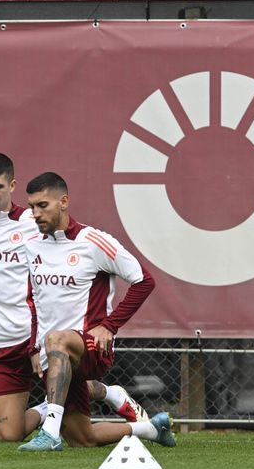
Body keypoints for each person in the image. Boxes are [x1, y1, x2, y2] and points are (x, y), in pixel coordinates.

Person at [0, 153, 148, 441]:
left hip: (44, 335)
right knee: (17, 435)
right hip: (1, 338)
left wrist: (106, 325)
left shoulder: (39, 223)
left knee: (60, 359)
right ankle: (116, 406)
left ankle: (54, 427)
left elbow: (139, 279)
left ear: (12, 186)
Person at [16, 172, 174, 451]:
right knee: (81, 439)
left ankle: (49, 434)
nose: (35, 213)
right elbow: (34, 301)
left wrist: (109, 326)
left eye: (42, 205)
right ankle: (151, 428)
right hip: (53, 355)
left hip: (91, 347)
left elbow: (143, 280)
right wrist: (32, 348)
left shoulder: (94, 241)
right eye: (31, 207)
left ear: (63, 202)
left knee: (57, 339)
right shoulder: (32, 246)